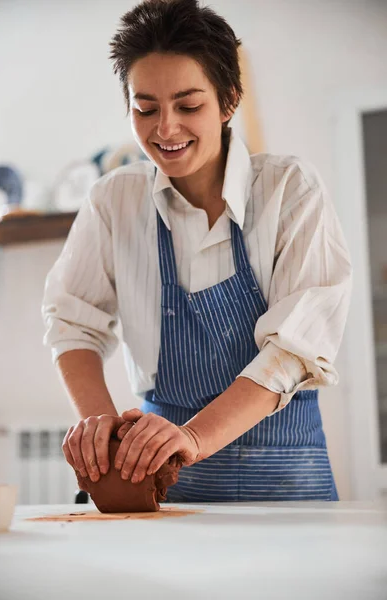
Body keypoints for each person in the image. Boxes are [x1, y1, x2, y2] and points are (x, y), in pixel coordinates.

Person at [42, 0, 352, 502]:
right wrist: (102, 431)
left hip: (286, 477)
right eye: (145, 108)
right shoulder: (113, 200)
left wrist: (191, 437)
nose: (165, 129)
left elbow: (293, 350)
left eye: (188, 106)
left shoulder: (290, 189)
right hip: (163, 481)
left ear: (228, 101)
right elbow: (72, 322)